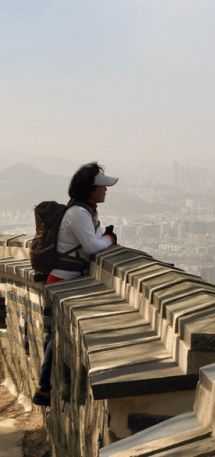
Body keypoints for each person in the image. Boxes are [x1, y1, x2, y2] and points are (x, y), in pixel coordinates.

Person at [32, 162, 118, 406]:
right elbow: (92, 246)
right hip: (63, 279)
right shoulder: (79, 213)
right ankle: (44, 387)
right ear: (90, 189)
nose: (105, 190)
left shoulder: (86, 211)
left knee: (56, 334)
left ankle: (45, 388)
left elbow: (93, 239)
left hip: (69, 279)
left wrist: (103, 236)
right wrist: (110, 238)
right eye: (102, 186)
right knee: (57, 335)